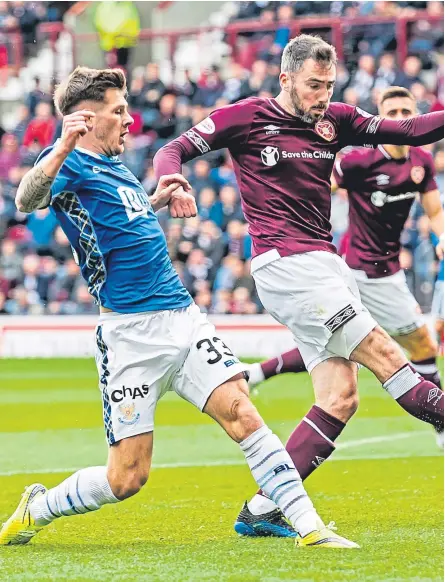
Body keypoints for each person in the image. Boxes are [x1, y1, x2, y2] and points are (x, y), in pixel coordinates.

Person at [0, 66, 355, 550]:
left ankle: (310, 528)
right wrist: (61, 147)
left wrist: (155, 202)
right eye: (119, 110)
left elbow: (119, 225)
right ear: (86, 118)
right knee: (126, 477)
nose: (130, 119)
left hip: (182, 317)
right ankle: (38, 508)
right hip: (131, 334)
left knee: (242, 413)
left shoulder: (117, 167)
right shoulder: (71, 163)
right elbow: (26, 199)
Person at [153, 35, 444, 538]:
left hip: (325, 266)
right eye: (313, 85)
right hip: (285, 266)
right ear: (285, 78)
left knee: (340, 397)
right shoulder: (244, 117)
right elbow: (174, 147)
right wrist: (171, 178)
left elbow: (412, 131)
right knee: (385, 354)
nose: (322, 96)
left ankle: (263, 508)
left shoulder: (338, 120)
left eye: (329, 86)